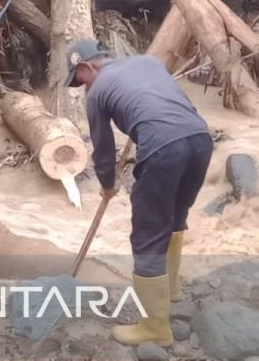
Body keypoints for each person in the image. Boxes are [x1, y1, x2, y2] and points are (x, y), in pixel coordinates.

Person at [67, 39, 212, 347]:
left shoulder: (97, 92)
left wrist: (107, 184)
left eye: (79, 80)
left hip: (163, 147)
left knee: (147, 237)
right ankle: (170, 291)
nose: (81, 87)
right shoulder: (147, 63)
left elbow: (103, 149)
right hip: (199, 139)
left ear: (86, 67)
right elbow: (176, 107)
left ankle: (155, 327)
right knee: (174, 218)